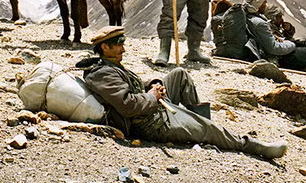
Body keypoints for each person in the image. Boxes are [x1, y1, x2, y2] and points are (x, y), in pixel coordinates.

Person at [78, 28, 286, 159]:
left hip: (152, 107)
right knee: (210, 129)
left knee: (178, 74)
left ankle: (200, 125)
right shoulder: (102, 73)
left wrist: (154, 84)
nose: (124, 48)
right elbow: (128, 105)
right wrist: (152, 96)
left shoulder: (111, 64)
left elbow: (132, 84)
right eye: (119, 44)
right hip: (149, 123)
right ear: (104, 46)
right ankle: (248, 145)